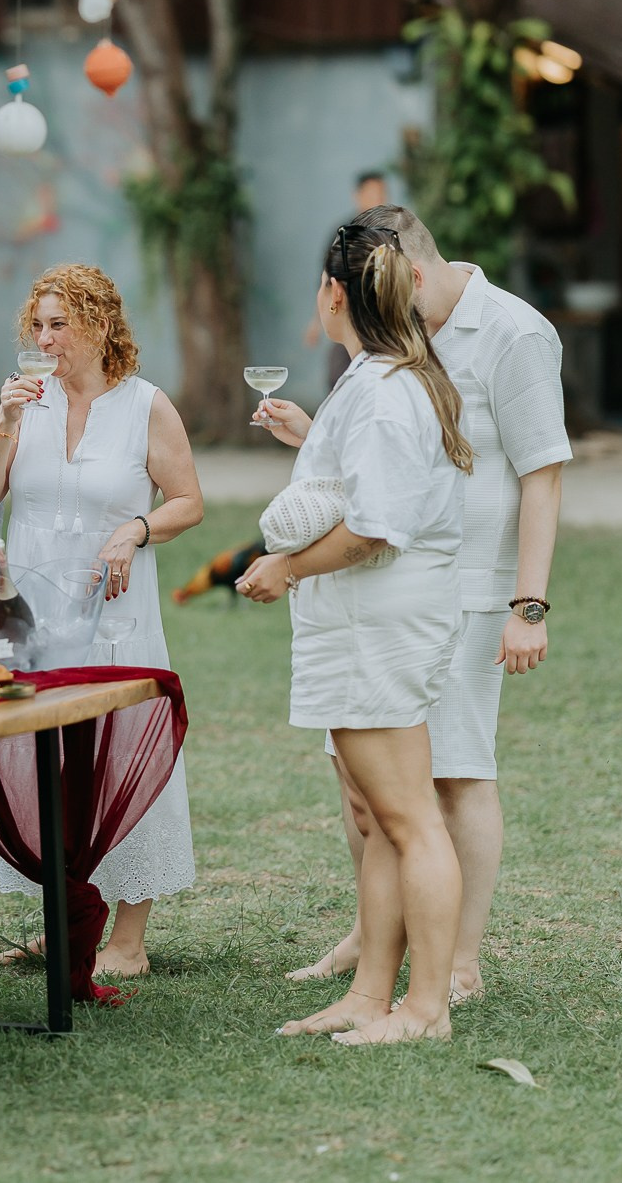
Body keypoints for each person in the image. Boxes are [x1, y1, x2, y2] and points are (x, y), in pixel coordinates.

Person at [257, 204, 568, 1005]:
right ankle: (375, 936)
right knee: (365, 781)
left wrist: (528, 604)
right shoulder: (396, 346)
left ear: (412, 274)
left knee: (456, 774)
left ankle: (457, 960)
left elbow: (542, 473)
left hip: (463, 587)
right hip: (385, 586)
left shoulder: (516, 333)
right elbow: (394, 454)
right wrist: (316, 433)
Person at [236, 221, 473, 1045]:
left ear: (334, 292)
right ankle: (370, 995)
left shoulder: (381, 387)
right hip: (369, 623)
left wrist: (286, 567)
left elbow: (375, 527)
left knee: (410, 819)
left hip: (380, 626)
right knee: (380, 818)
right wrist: (314, 442)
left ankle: (427, 1007)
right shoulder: (385, 375)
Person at [0, 264, 202, 976]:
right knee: (45, 760)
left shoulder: (145, 405)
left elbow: (187, 500)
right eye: (36, 326)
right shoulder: (24, 404)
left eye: (58, 325)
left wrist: (135, 528)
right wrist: (4, 424)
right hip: (32, 611)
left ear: (98, 325)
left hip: (115, 610)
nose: (43, 340)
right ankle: (66, 921)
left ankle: (128, 940)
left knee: (122, 753)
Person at [306, 171, 392, 390]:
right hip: (348, 317)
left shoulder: (393, 233)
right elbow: (327, 277)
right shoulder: (343, 234)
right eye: (372, 193)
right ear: (358, 196)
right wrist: (316, 323)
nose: (377, 199)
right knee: (339, 376)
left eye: (381, 194)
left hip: (384, 321)